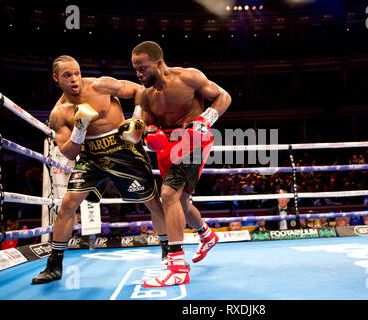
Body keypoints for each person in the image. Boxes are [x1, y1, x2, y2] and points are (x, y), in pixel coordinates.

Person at [32, 55, 168, 284]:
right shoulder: (58, 113)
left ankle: (168, 251)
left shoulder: (100, 84)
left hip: (124, 147)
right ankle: (54, 265)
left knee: (152, 200)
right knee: (67, 204)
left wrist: (136, 120)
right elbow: (69, 153)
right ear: (56, 78)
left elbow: (140, 92)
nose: (75, 79)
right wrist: (80, 128)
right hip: (91, 155)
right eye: (67, 75)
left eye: (76, 72)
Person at [131, 41, 232, 287]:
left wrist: (206, 119)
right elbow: (149, 123)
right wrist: (150, 132)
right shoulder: (146, 95)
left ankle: (176, 266)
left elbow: (223, 96)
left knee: (168, 195)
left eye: (142, 68)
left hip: (194, 141)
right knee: (181, 202)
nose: (139, 74)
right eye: (135, 69)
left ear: (158, 63)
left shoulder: (189, 77)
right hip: (168, 148)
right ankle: (206, 235)